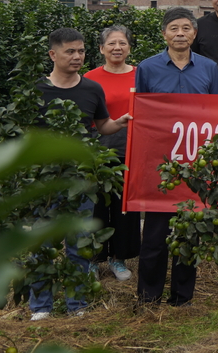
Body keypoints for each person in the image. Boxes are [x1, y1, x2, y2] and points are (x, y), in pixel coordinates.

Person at [29, 28, 132, 320]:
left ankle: (77, 304)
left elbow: (101, 125)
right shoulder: (37, 90)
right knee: (42, 243)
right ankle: (41, 306)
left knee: (80, 241)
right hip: (45, 179)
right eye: (70, 51)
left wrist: (119, 123)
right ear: (53, 54)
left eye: (81, 51)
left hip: (81, 178)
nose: (77, 56)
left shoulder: (91, 89)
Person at [135, 8, 218, 307]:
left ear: (194, 34)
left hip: (196, 161)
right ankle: (148, 297)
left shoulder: (209, 68)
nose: (180, 34)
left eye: (186, 28)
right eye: (174, 28)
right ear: (164, 34)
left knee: (189, 232)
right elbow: (142, 113)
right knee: (155, 234)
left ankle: (182, 298)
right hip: (160, 162)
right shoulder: (147, 68)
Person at [84, 25, 141, 284]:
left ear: (129, 47)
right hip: (97, 153)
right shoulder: (89, 78)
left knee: (124, 209)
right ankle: (93, 259)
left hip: (130, 151)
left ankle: (119, 258)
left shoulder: (141, 75)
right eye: (111, 43)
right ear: (101, 49)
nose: (117, 48)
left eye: (122, 43)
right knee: (96, 208)